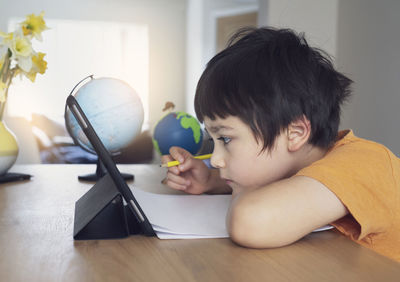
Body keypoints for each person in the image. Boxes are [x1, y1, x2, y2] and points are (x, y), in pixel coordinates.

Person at [161, 27, 400, 262]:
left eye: (225, 139)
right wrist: (211, 181)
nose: (215, 159)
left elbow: (249, 222)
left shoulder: (365, 163)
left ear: (295, 133)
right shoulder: (305, 166)